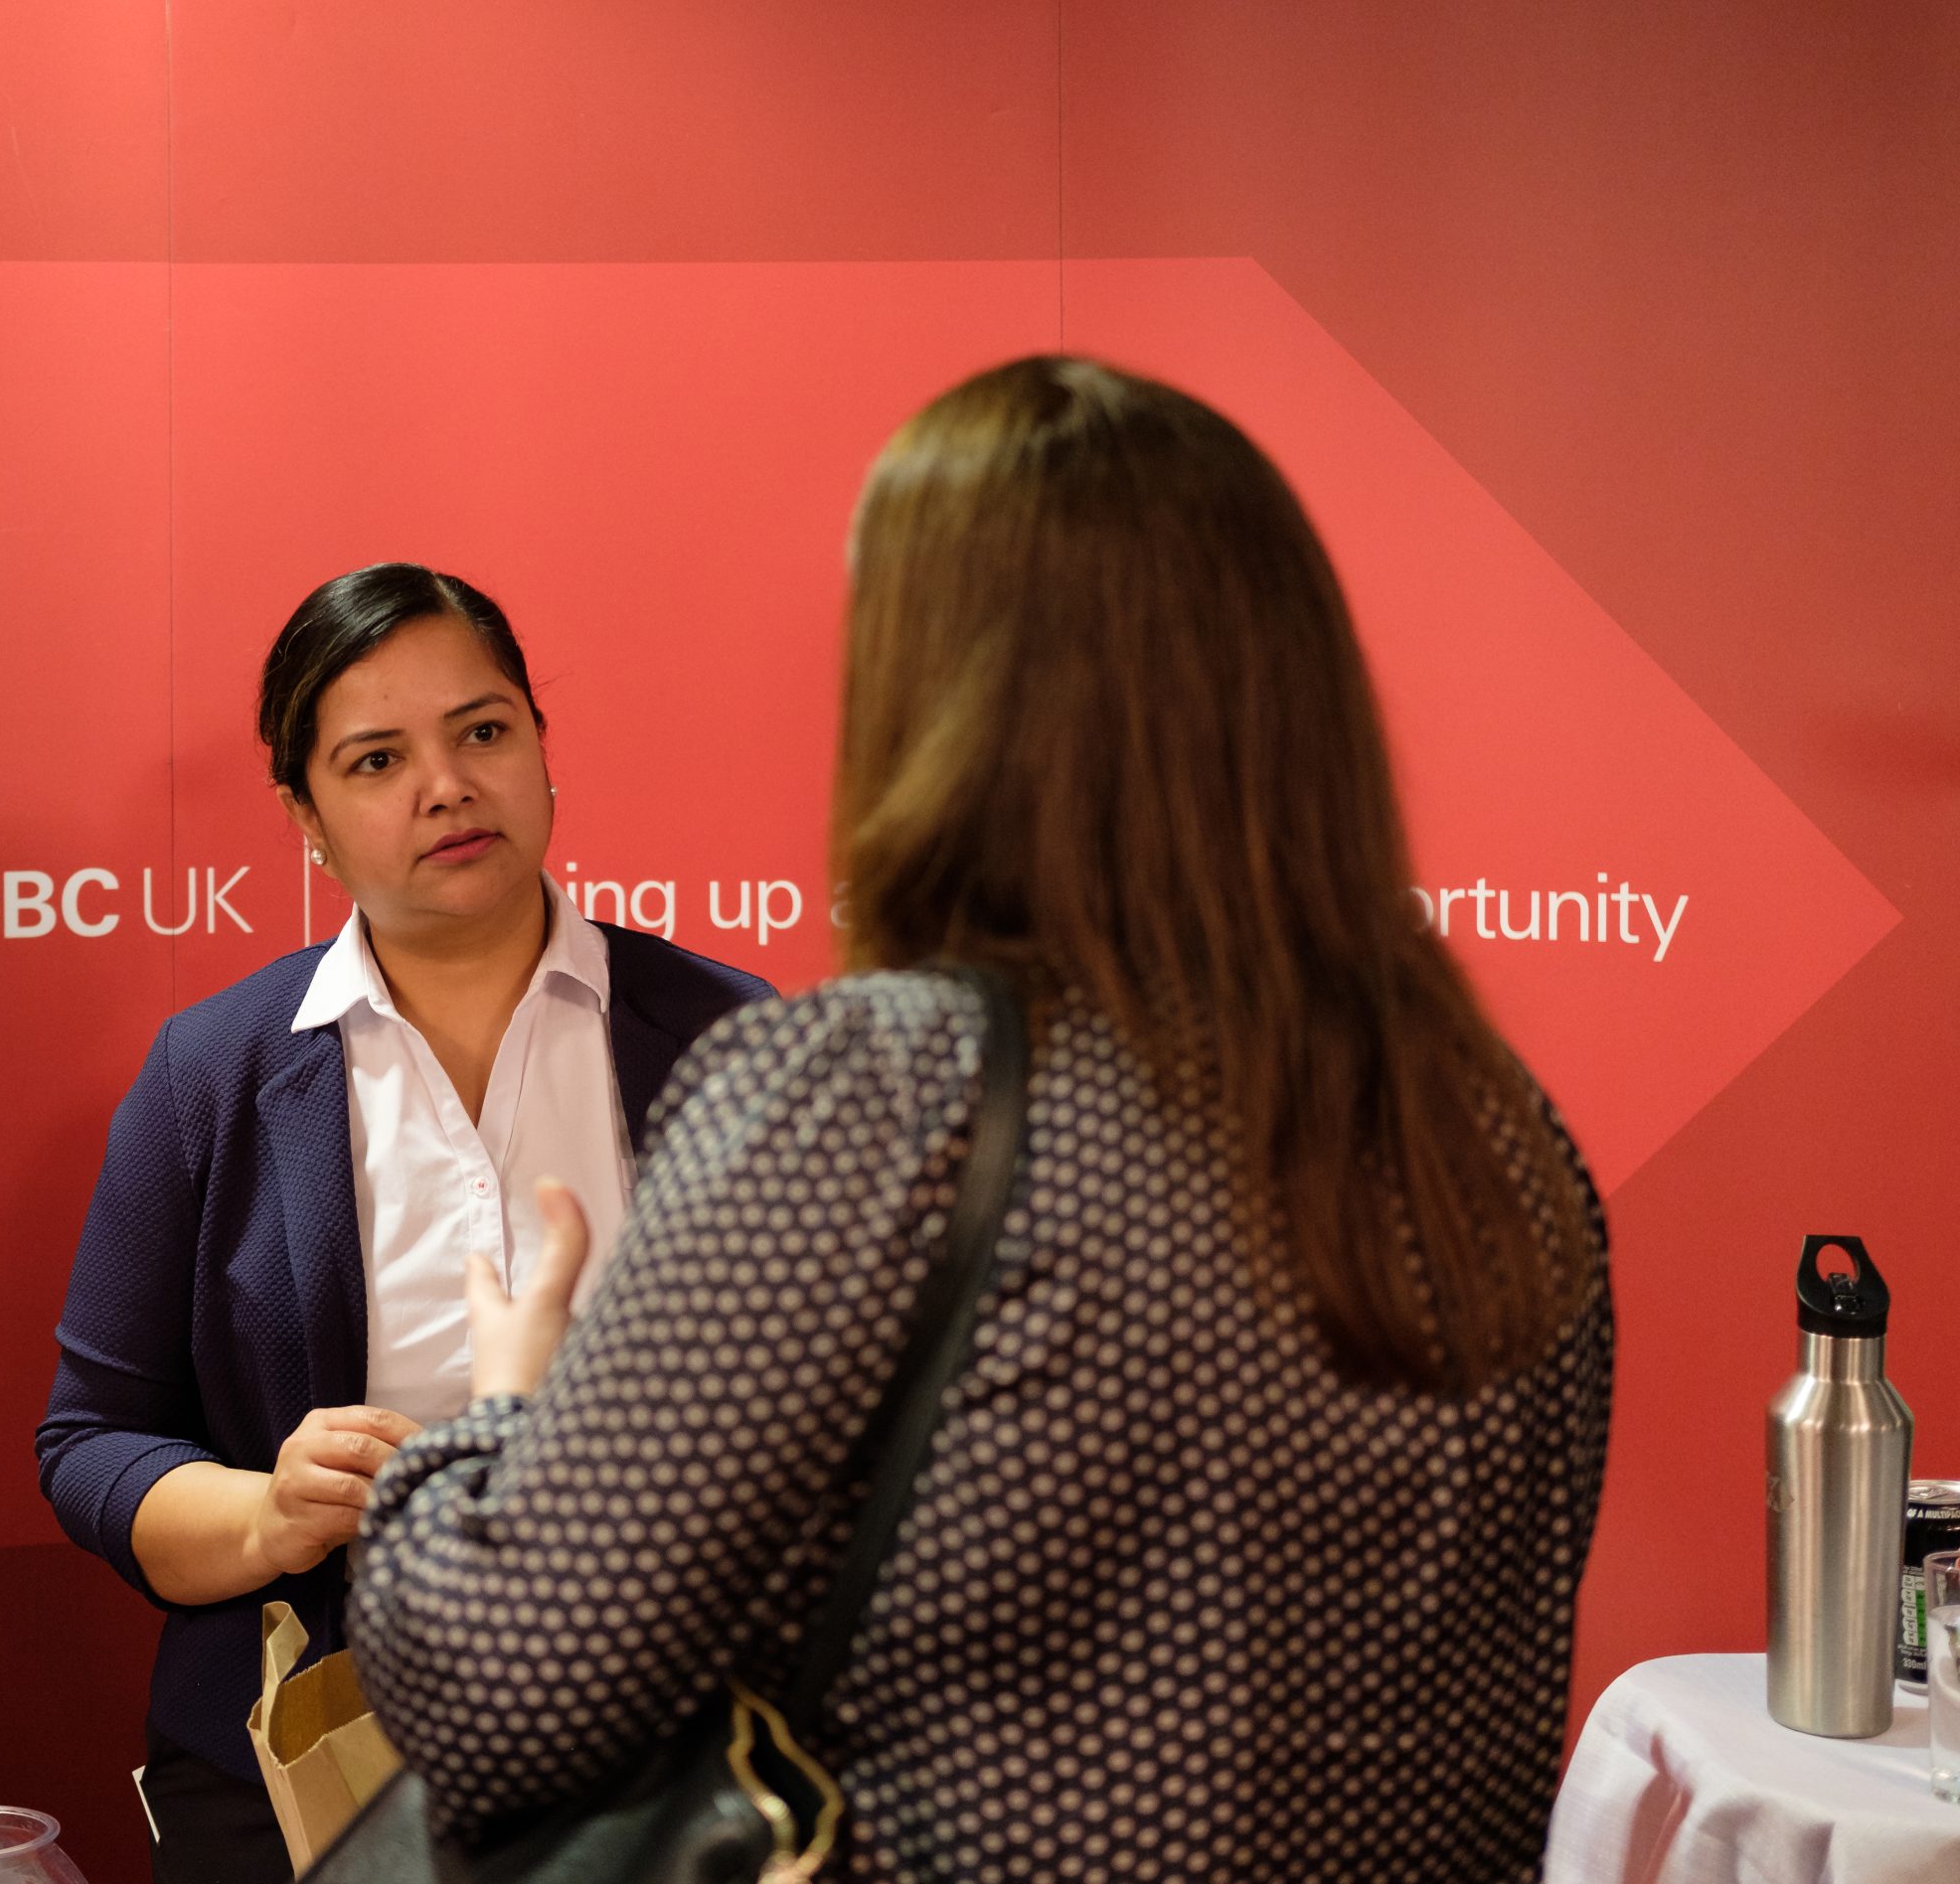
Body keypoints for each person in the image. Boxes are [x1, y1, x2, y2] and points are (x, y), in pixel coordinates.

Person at [348, 362, 1615, 1882]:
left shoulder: (878, 1099)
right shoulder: (1497, 1133)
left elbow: (492, 1691)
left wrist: (499, 1419)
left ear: (931, 695)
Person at [35, 562, 772, 1882]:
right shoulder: (212, 1075)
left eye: (483, 731)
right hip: (316, 1753)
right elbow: (93, 1444)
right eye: (377, 760)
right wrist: (271, 1514)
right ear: (304, 817)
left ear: (542, 746)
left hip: (687, 1750)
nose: (447, 786)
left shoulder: (739, 1040)